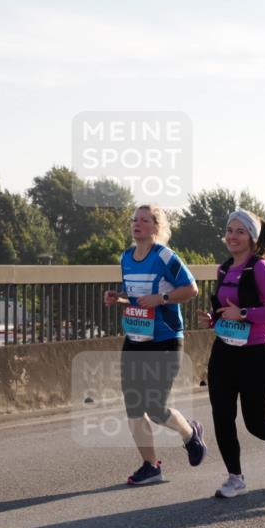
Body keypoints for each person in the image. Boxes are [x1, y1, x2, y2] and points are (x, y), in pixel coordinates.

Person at [197, 208, 265, 498]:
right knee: (222, 416)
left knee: (256, 422)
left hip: (256, 353)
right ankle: (235, 478)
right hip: (224, 351)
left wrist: (243, 313)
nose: (232, 236)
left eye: (240, 231)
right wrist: (213, 318)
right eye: (230, 230)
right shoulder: (223, 269)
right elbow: (227, 310)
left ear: (252, 238)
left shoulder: (259, 268)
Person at [103, 204, 206, 485]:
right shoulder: (126, 257)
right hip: (136, 338)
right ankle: (151, 466)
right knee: (134, 406)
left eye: (144, 220)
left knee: (155, 406)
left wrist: (162, 299)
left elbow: (191, 289)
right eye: (134, 219)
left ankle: (189, 434)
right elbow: (137, 299)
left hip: (166, 339)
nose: (137, 224)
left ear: (156, 227)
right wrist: (119, 299)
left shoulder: (165, 256)